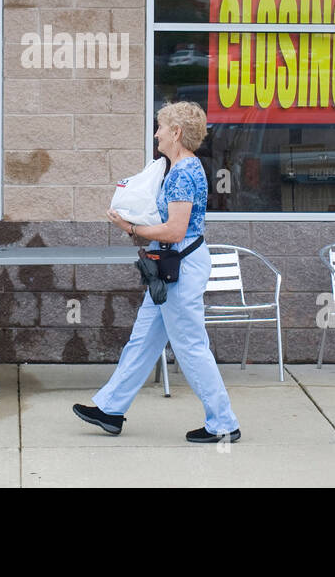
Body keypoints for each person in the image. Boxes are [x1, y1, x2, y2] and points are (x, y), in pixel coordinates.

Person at [72, 100, 241, 444]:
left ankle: (223, 423)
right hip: (172, 268)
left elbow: (175, 231)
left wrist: (130, 227)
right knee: (143, 341)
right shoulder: (183, 167)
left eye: (161, 127)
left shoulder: (181, 174)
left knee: (191, 347)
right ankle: (110, 410)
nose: (157, 134)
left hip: (180, 267)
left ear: (176, 133)